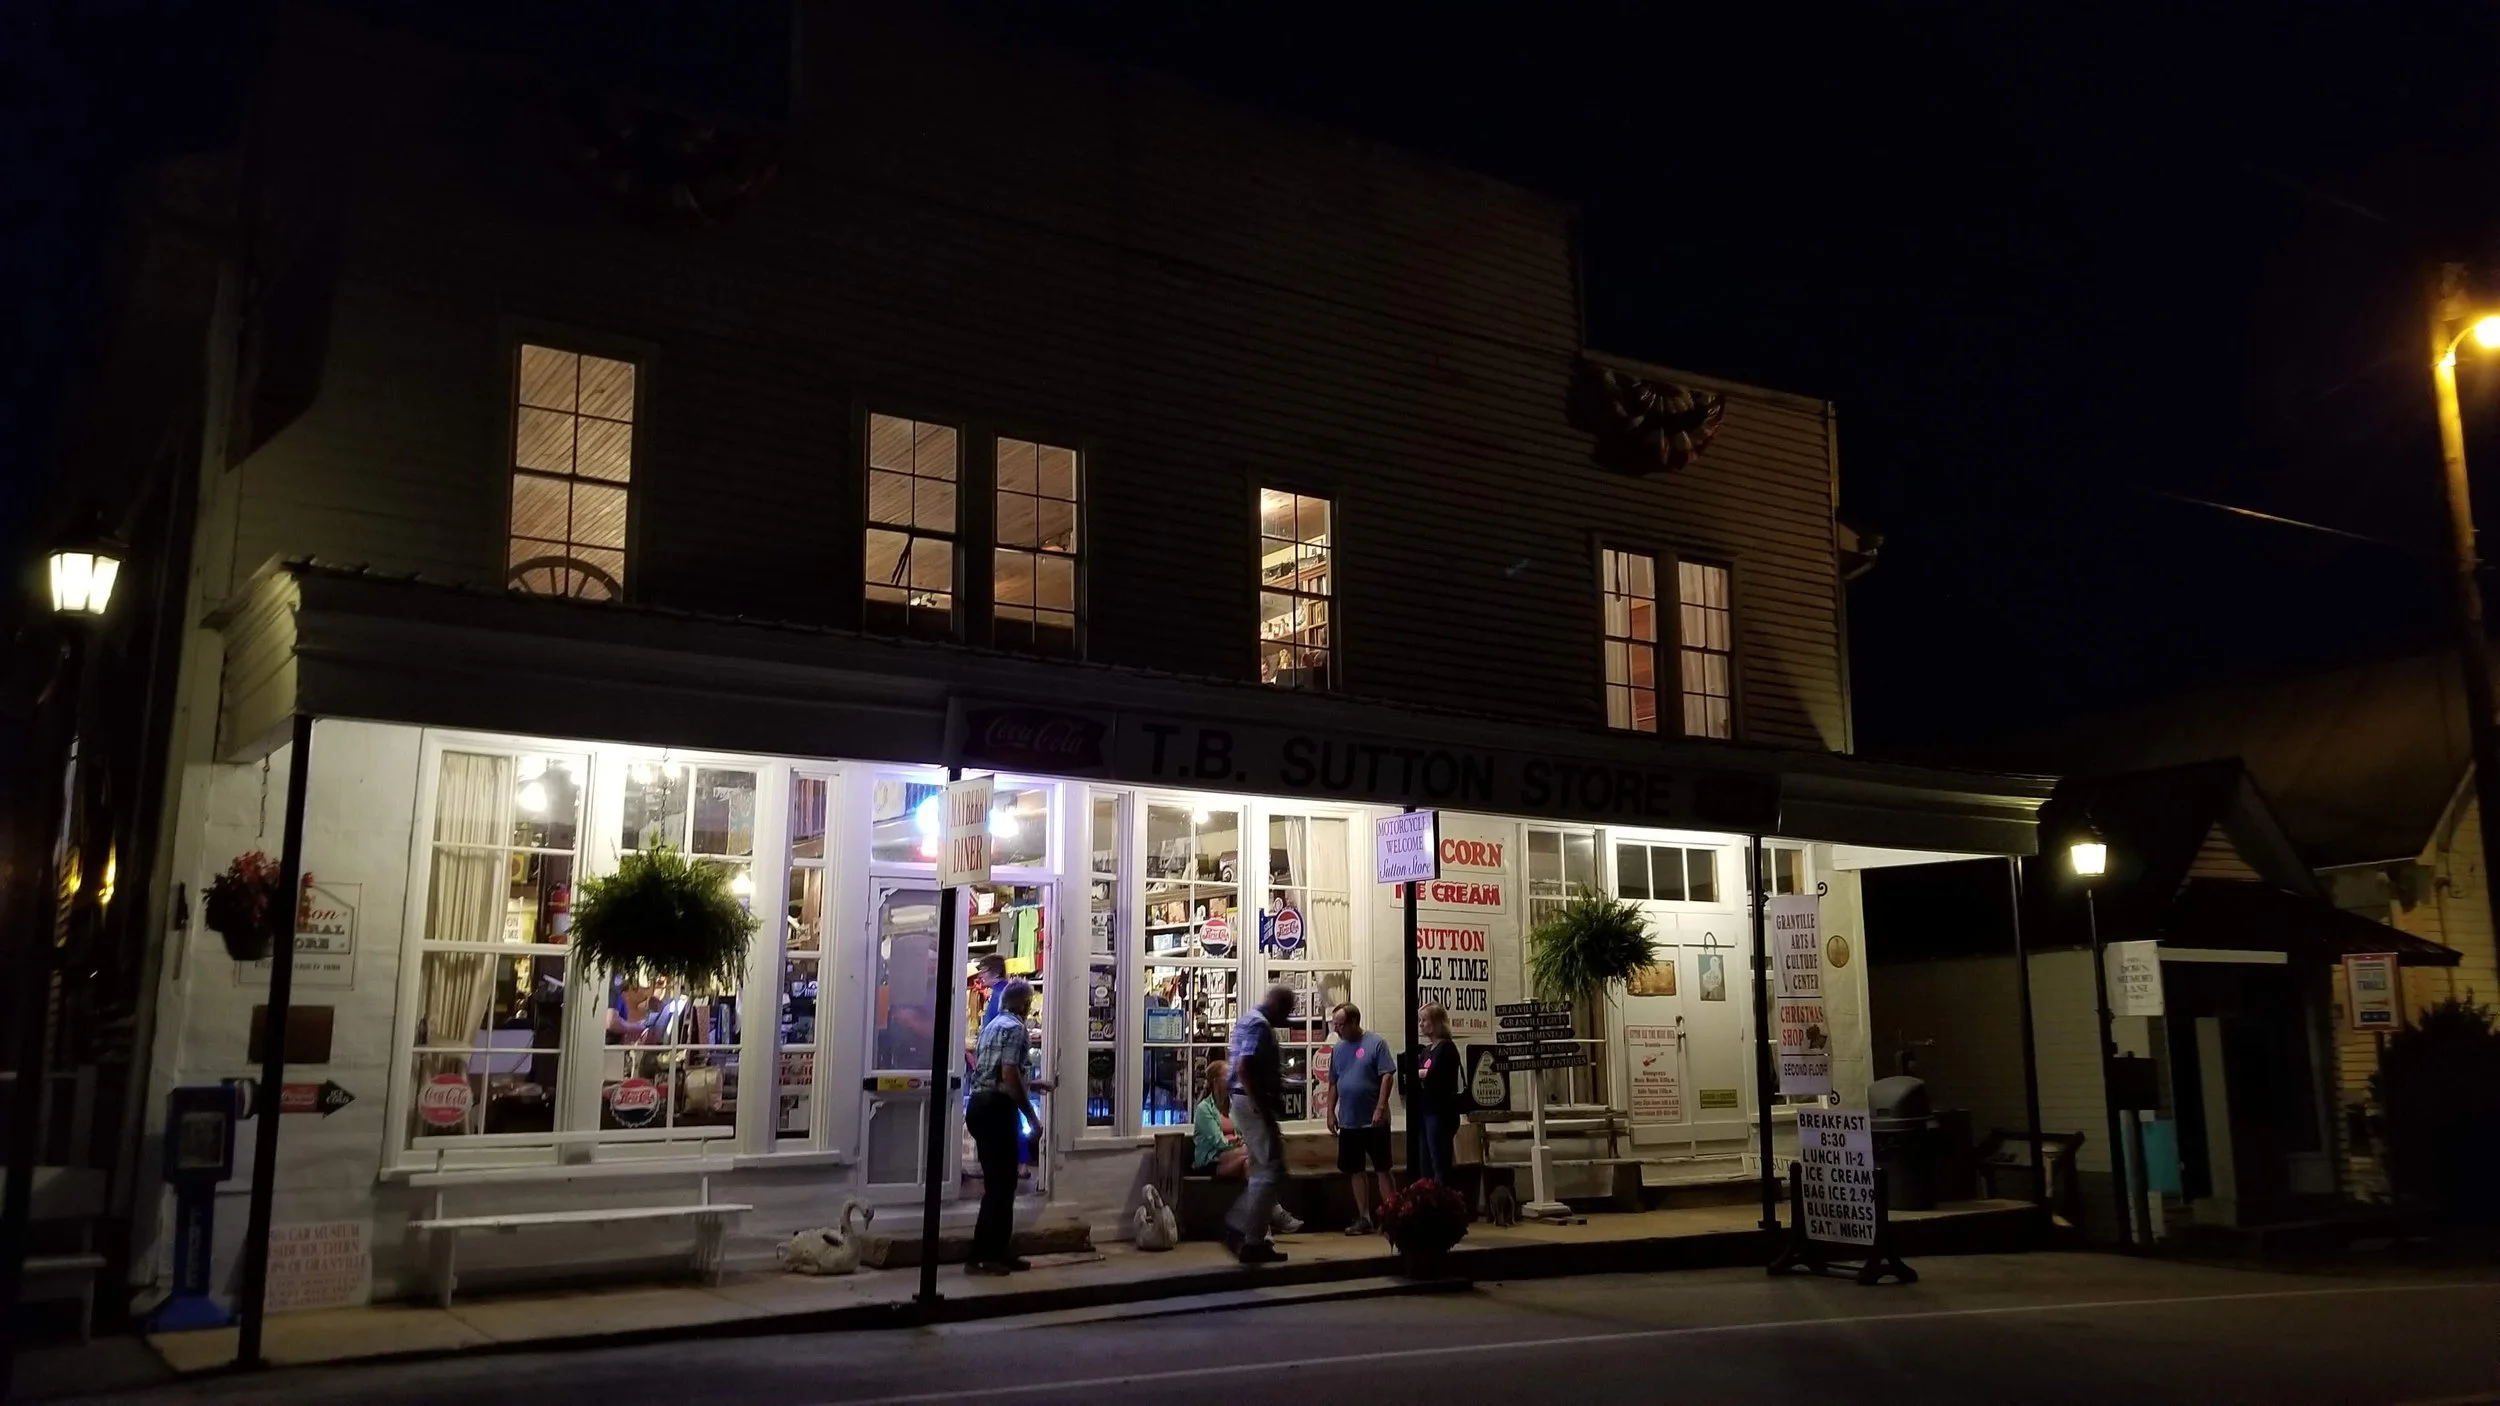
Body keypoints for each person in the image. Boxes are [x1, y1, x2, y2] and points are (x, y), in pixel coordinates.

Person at [966, 978, 1050, 1276]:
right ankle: (985, 1256)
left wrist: (1033, 1084)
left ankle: (995, 1252)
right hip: (996, 1109)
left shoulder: (992, 1026)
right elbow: (1009, 1075)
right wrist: (1032, 1116)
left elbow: (993, 1072)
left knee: (998, 1185)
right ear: (1025, 1005)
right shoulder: (1017, 1029)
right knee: (1002, 1186)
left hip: (978, 1105)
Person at [1224, 984, 1298, 1264]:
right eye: (1287, 1012)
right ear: (1278, 1005)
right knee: (1268, 1171)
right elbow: (1244, 1067)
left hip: (1244, 1100)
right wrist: (1261, 1105)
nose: (1286, 1019)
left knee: (1263, 1168)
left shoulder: (1247, 1019)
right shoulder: (1259, 1026)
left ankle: (1248, 1231)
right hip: (1252, 1100)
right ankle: (1249, 1235)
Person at [1191, 1058, 1303, 1235]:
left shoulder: (1233, 1106)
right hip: (1211, 1161)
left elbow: (1244, 1131)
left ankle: (1262, 1229)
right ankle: (1275, 1214)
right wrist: (1239, 1142)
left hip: (1237, 1158)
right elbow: (1218, 1142)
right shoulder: (1204, 1109)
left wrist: (1242, 1140)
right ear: (1215, 1081)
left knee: (1250, 1166)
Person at [1327, 1002, 1397, 1234]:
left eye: (1341, 1025)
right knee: (1355, 1170)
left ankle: (1392, 1216)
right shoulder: (1338, 1049)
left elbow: (1387, 1076)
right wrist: (1330, 1111)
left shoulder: (1376, 1043)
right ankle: (1364, 1216)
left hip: (1374, 1121)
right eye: (1335, 1024)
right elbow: (1334, 1083)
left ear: (1355, 1022)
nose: (1337, 1029)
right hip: (1349, 1121)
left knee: (1382, 1168)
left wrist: (1380, 1107)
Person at [1413, 1002, 1464, 1186]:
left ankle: (1444, 1198)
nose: (1420, 1024)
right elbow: (1418, 1073)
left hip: (1441, 1111)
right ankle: (1428, 1197)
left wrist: (1423, 1074)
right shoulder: (1427, 1050)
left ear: (1435, 1022)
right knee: (1425, 1160)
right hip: (1425, 1109)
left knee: (1439, 1159)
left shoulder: (1446, 1047)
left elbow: (1435, 1074)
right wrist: (1422, 1074)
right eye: (1419, 1020)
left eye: (1424, 1020)